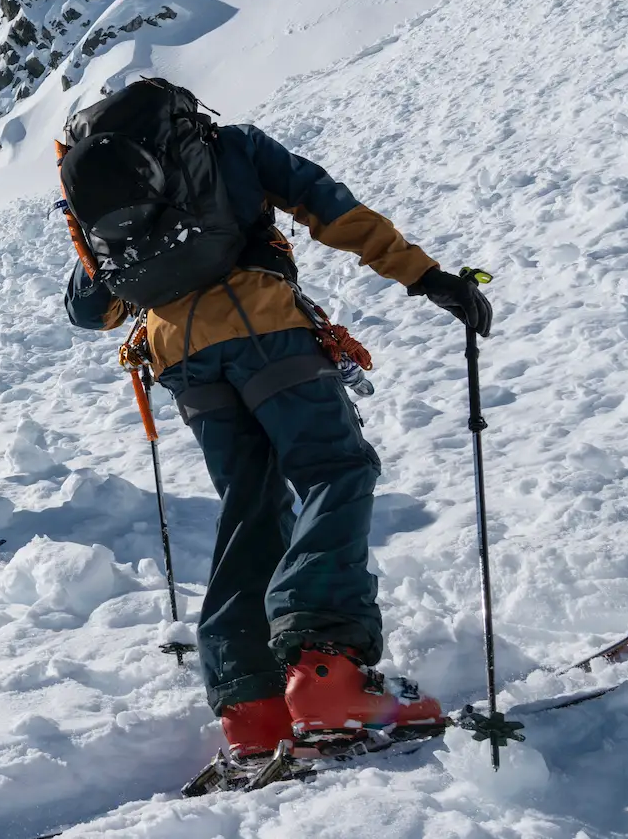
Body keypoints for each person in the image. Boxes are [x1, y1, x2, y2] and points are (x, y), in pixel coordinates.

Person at [57, 78, 492, 759]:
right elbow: (330, 207)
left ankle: (251, 707)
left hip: (181, 361)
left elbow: (92, 308)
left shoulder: (103, 195)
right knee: (334, 470)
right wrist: (426, 276)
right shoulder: (227, 149)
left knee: (251, 508)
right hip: (264, 330)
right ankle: (326, 670)